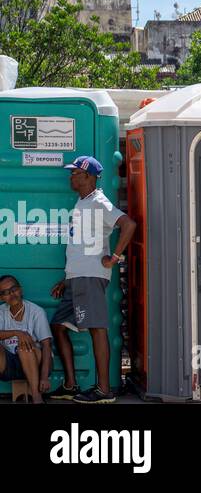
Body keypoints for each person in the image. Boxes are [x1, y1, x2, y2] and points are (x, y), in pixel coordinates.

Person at [47, 155, 136, 404]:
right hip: (77, 277)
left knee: (97, 329)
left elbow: (128, 225)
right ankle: (71, 385)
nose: (70, 177)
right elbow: (80, 244)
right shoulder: (83, 202)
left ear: (88, 176)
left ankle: (104, 391)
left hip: (91, 275)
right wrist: (67, 279)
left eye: (74, 173)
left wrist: (115, 256)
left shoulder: (99, 202)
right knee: (58, 326)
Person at [0, 275, 52, 403]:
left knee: (24, 346)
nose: (11, 294)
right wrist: (17, 333)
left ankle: (36, 397)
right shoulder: (1, 312)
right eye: (5, 293)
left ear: (21, 290)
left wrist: (44, 377)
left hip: (36, 364)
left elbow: (46, 345)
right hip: (9, 366)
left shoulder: (36, 312)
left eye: (13, 289)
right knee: (22, 341)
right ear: (1, 298)